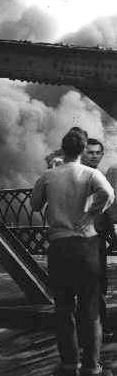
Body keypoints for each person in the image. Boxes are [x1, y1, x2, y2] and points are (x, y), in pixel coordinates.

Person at [32, 129, 115, 376]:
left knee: (64, 309)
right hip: (86, 246)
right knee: (91, 310)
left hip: (59, 247)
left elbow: (35, 205)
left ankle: (69, 366)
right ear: (81, 150)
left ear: (63, 149)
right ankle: (92, 368)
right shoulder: (91, 173)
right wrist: (90, 215)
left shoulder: (48, 175)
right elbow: (109, 195)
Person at [83, 138, 116, 342]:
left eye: (97, 153)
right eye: (90, 152)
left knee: (96, 283)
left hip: (96, 237)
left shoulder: (100, 174)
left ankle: (96, 328)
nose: (94, 156)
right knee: (94, 283)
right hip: (88, 238)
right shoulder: (89, 176)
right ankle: (97, 329)